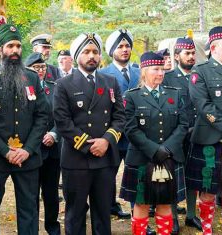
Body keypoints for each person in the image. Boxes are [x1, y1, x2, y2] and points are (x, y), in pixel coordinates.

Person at [0, 24, 48, 235]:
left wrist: (28, 149)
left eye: (18, 46)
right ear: (0, 50)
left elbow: (42, 115)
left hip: (28, 156)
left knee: (29, 209)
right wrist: (5, 151)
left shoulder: (32, 78)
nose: (15, 50)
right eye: (10, 46)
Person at [53, 32, 126, 235]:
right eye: (86, 51)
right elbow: (62, 122)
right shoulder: (63, 84)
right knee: (75, 214)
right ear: (77, 56)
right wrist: (89, 145)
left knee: (103, 213)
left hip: (105, 159)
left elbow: (120, 117)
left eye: (95, 51)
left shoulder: (110, 82)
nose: (91, 56)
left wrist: (106, 141)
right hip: (76, 160)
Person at [120, 51, 188, 235]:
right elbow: (130, 129)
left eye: (163, 69)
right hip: (142, 158)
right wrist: (154, 150)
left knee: (165, 203)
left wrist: (166, 149)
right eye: (155, 69)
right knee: (141, 204)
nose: (160, 73)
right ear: (144, 70)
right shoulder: (131, 96)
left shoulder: (175, 93)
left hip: (170, 156)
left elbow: (183, 124)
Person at [187, 26, 222, 234]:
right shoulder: (201, 71)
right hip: (210, 141)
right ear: (214, 47)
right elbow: (202, 105)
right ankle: (207, 230)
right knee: (207, 190)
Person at [163, 37, 202, 234]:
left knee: (194, 177)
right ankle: (172, 218)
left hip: (199, 134)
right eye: (187, 53)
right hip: (176, 136)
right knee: (173, 178)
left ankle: (191, 215)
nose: (191, 56)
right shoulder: (167, 77)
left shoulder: (200, 75)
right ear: (176, 56)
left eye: (193, 53)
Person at [100, 28, 139, 220]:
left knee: (136, 178)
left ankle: (137, 218)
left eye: (127, 46)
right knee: (107, 178)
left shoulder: (140, 72)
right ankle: (106, 213)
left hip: (136, 136)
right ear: (112, 50)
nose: (125, 50)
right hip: (113, 136)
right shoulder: (102, 74)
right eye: (120, 46)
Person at [25, 52, 61, 235]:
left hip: (53, 150)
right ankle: (31, 229)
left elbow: (63, 116)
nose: (40, 70)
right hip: (32, 150)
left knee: (51, 194)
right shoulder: (21, 88)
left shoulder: (55, 88)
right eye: (36, 67)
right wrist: (37, 138)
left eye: (43, 67)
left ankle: (53, 228)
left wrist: (54, 134)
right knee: (31, 194)